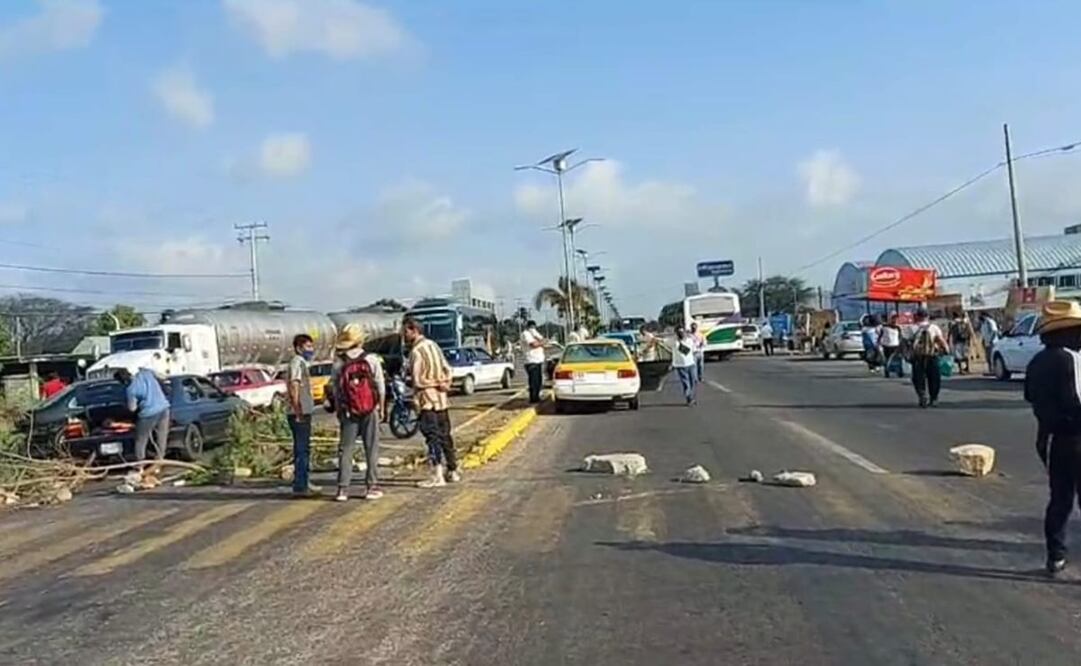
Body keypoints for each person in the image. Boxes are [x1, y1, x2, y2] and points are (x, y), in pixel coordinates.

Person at [1023, 300, 1081, 575]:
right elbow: (1075, 400)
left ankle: (1055, 555)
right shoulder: (1071, 359)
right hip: (1077, 436)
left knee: (1059, 499)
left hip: (1050, 439)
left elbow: (1030, 396)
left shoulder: (1037, 361)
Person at [330, 324, 385, 502]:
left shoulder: (339, 363)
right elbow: (380, 387)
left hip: (348, 411)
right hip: (370, 409)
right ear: (361, 340)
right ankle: (371, 487)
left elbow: (336, 390)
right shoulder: (371, 359)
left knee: (346, 450)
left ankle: (342, 489)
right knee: (371, 448)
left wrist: (340, 410)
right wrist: (381, 407)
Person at [404, 317, 460, 487]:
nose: (404, 335)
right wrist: (445, 383)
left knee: (432, 437)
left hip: (427, 400)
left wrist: (433, 384)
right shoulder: (433, 346)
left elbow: (417, 380)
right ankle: (452, 470)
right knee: (445, 436)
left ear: (414, 330)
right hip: (442, 400)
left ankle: (437, 474)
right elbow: (448, 369)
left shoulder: (417, 351)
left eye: (405, 331)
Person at [114, 367, 169, 468]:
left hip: (148, 414)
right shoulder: (145, 374)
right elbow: (162, 376)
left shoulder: (130, 389)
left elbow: (132, 408)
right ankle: (160, 460)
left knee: (141, 440)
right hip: (164, 408)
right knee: (162, 436)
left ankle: (140, 464)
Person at [287, 333, 320, 497]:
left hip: (304, 410)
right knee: (301, 450)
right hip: (298, 412)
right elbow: (294, 385)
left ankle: (304, 481)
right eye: (308, 347)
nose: (311, 350)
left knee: (304, 448)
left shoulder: (302, 363)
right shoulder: (297, 363)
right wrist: (298, 409)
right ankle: (301, 485)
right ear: (298, 348)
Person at [908, 309, 948, 408]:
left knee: (918, 378)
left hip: (917, 357)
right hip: (932, 355)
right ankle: (933, 398)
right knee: (934, 378)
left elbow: (906, 342)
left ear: (917, 316)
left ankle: (922, 396)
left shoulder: (912, 328)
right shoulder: (934, 327)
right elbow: (940, 340)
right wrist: (946, 350)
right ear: (927, 316)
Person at [521, 320, 547, 404]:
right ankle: (533, 398)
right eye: (531, 327)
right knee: (533, 381)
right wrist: (541, 342)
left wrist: (539, 339)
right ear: (528, 327)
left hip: (538, 360)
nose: (533, 328)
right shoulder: (525, 334)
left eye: (534, 327)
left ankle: (537, 396)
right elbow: (533, 344)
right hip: (531, 360)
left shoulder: (535, 334)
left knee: (539, 380)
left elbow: (543, 340)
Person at [671, 327, 698, 406]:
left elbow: (694, 350)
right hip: (680, 365)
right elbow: (662, 341)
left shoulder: (689, 341)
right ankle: (689, 398)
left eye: (682, 332)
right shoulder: (673, 342)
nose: (681, 334)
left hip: (690, 363)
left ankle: (691, 396)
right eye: (679, 332)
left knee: (693, 380)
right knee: (686, 382)